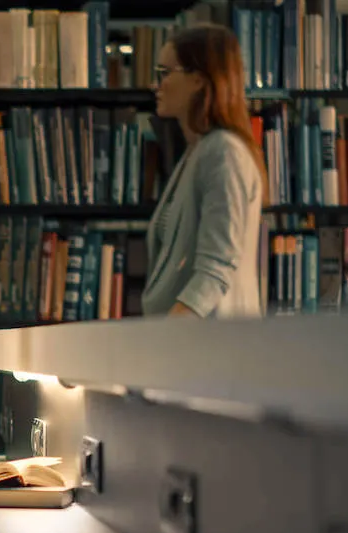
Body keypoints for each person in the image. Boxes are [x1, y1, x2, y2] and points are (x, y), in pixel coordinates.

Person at [144, 22, 267, 319]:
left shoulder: (223, 153)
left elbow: (215, 269)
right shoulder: (198, 150)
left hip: (207, 350)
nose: (155, 85)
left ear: (198, 80)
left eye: (164, 74)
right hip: (189, 346)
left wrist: (164, 342)